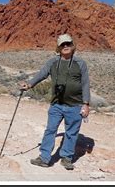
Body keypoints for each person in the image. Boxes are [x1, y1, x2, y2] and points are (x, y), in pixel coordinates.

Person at [19, 33, 90, 170]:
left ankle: (67, 158)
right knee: (50, 130)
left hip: (75, 105)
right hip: (57, 104)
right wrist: (29, 84)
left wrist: (86, 104)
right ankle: (44, 158)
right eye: (62, 44)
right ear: (58, 47)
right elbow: (42, 74)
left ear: (72, 46)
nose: (65, 46)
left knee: (71, 133)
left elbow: (85, 83)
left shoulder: (80, 63)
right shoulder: (52, 62)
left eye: (68, 44)